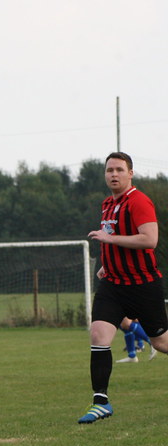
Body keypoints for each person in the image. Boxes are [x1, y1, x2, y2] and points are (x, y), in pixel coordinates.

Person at [78, 152, 168, 423]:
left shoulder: (139, 201)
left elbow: (149, 240)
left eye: (119, 169)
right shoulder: (107, 203)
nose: (113, 174)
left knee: (161, 341)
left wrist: (111, 239)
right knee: (98, 335)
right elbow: (113, 242)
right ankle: (100, 401)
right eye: (109, 170)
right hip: (113, 285)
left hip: (143, 284)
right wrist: (107, 264)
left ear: (131, 173)